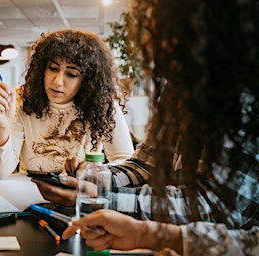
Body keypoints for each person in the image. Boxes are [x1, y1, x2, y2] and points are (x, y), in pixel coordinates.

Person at [61, 0, 259, 255]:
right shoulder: (178, 90)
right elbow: (145, 163)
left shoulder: (243, 100)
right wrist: (96, 180)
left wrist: (100, 200)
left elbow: (216, 207)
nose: (155, 48)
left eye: (167, 34)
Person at [0, 29, 134, 178]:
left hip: (79, 190)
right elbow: (1, 172)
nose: (57, 82)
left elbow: (126, 164)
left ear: (88, 80)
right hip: (32, 188)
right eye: (53, 68)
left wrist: (92, 173)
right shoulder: (22, 98)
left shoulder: (103, 105)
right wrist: (2, 127)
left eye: (71, 74)